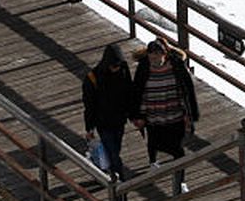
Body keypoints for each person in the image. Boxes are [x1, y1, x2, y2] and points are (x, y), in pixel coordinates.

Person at [131, 36, 199, 187]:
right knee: (153, 142)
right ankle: (153, 162)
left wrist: (191, 115)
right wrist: (137, 116)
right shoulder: (143, 69)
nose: (154, 58)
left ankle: (180, 182)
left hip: (175, 116)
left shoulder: (177, 67)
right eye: (152, 54)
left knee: (179, 151)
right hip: (153, 116)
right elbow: (136, 92)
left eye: (158, 54)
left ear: (165, 54)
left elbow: (188, 91)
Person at [82, 44, 137, 181]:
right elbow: (89, 105)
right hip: (103, 122)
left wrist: (133, 115)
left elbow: (130, 94)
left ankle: (107, 173)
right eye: (114, 66)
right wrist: (89, 127)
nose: (116, 68)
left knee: (114, 150)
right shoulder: (92, 78)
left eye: (118, 65)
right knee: (113, 152)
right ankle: (120, 181)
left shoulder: (123, 70)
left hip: (119, 120)